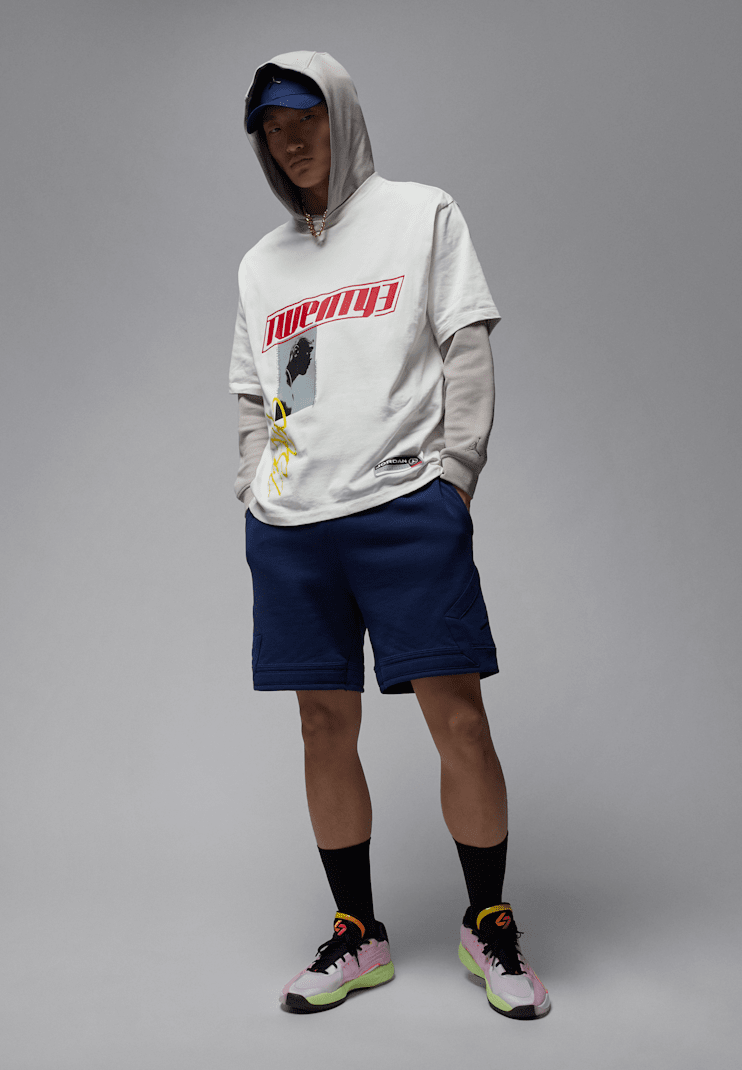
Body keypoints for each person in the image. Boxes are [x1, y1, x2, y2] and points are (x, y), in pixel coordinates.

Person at [228, 51, 549, 1020]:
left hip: (406, 509)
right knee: (321, 724)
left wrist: (454, 480)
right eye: (272, 130)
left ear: (340, 114)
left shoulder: (421, 215)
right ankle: (356, 931)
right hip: (293, 529)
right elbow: (256, 393)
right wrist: (256, 486)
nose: (290, 142)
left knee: (459, 719)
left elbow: (466, 346)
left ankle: (488, 922)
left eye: (305, 120)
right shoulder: (261, 264)